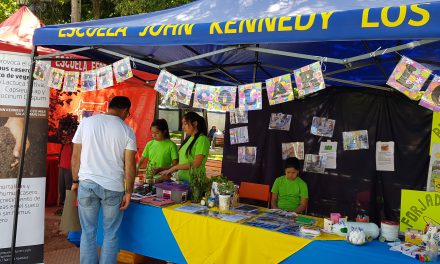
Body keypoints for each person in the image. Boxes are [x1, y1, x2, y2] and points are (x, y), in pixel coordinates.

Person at [71, 96, 137, 264]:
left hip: (87, 183)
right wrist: (129, 192)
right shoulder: (126, 130)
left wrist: (75, 181)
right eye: (128, 113)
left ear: (110, 107)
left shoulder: (87, 123)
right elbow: (130, 165)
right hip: (113, 187)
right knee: (110, 233)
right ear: (124, 110)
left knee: (88, 232)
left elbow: (76, 155)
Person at [160, 111, 210, 183]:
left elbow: (196, 163)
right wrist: (167, 171)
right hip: (182, 181)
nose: (183, 127)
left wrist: (175, 168)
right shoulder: (189, 139)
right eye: (182, 124)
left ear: (195, 124)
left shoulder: (202, 139)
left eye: (185, 124)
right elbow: (182, 163)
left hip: (195, 183)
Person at [56, 114, 79, 216]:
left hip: (70, 168)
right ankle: (62, 208)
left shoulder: (75, 139)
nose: (63, 131)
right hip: (62, 166)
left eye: (65, 129)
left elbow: (76, 155)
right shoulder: (64, 139)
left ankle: (68, 211)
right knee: (62, 188)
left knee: (69, 189)